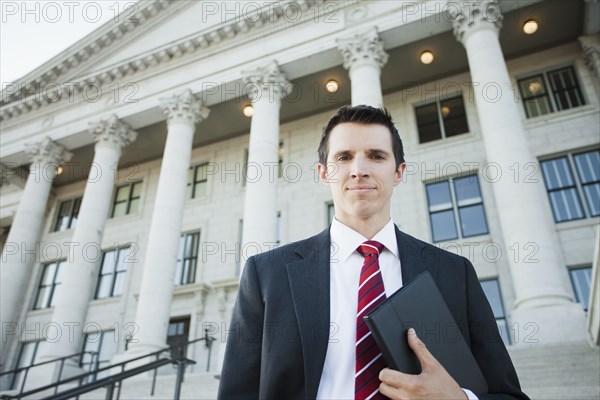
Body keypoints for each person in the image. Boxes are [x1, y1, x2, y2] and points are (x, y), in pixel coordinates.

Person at [218, 105, 529, 400]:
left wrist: (459, 398)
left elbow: (509, 394)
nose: (359, 170)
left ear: (398, 172)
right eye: (344, 157)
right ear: (324, 173)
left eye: (376, 156)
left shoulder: (453, 273)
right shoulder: (267, 274)